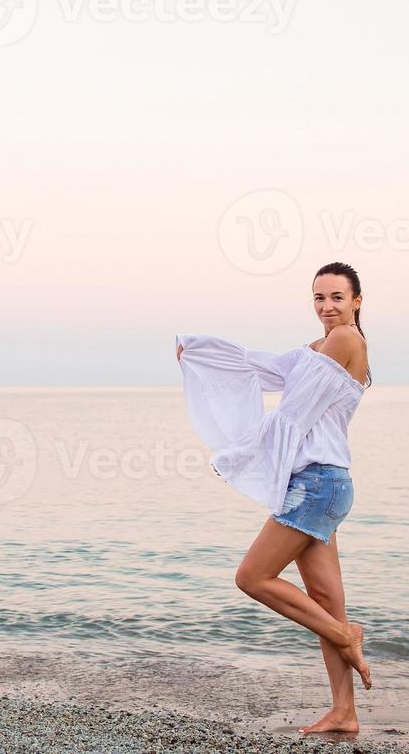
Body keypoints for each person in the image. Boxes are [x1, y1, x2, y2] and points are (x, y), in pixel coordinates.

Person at [174, 261, 373, 736]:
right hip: (324, 482)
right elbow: (261, 365)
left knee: (252, 577)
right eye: (319, 298)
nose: (327, 307)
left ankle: (347, 636)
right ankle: (344, 712)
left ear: (357, 302)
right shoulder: (319, 347)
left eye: (337, 298)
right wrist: (200, 352)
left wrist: (239, 456)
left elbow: (293, 413)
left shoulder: (346, 340)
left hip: (316, 484)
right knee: (325, 602)